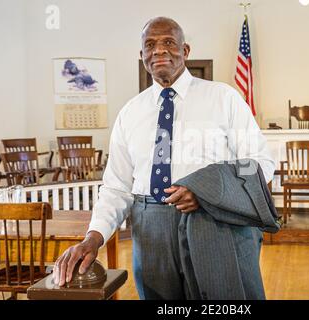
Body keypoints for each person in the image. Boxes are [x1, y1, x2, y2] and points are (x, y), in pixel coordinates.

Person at [53, 16, 276, 299]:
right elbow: (116, 187)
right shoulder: (130, 113)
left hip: (213, 223)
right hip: (151, 230)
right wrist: (93, 237)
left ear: (185, 51)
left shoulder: (224, 99)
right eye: (150, 45)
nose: (159, 50)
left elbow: (257, 164)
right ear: (142, 55)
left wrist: (210, 191)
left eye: (168, 42)